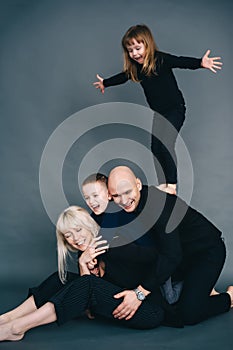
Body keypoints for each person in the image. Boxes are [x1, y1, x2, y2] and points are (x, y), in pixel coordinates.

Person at [0, 205, 171, 342]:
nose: (75, 238)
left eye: (79, 230)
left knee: (87, 283)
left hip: (146, 310)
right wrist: (82, 262)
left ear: (89, 226)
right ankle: (7, 318)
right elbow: (86, 302)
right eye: (69, 235)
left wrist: (138, 293)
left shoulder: (115, 244)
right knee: (61, 278)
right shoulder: (86, 254)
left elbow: (155, 259)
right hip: (117, 306)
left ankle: (17, 328)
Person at [93, 24, 222, 194]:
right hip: (159, 114)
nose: (135, 54)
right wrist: (106, 83)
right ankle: (164, 185)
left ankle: (172, 185)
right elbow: (123, 77)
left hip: (175, 109)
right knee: (156, 147)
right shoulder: (136, 69)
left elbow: (180, 61)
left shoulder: (160, 59)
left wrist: (200, 63)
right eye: (130, 50)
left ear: (147, 44)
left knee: (166, 143)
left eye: (138, 48)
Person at [106, 165, 233, 325]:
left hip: (206, 252)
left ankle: (229, 297)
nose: (124, 201)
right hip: (180, 255)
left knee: (188, 314)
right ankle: (203, 290)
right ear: (110, 195)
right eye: (117, 195)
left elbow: (171, 255)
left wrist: (139, 293)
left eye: (127, 192)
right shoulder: (127, 205)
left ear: (138, 185)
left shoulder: (158, 205)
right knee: (169, 304)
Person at [82, 173, 182, 304]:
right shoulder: (99, 214)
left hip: (157, 258)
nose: (91, 202)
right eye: (87, 198)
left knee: (169, 298)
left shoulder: (112, 211)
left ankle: (186, 280)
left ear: (109, 195)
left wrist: (92, 259)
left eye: (95, 196)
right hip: (141, 262)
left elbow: (103, 242)